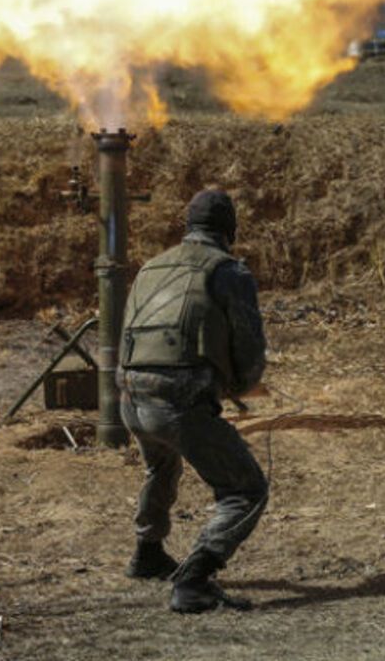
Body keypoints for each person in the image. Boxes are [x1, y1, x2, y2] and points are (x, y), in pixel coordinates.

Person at [117, 188, 268, 614]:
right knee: (246, 489)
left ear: (188, 226)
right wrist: (239, 385)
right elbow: (250, 350)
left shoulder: (150, 267)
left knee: (162, 465)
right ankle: (194, 579)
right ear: (229, 231)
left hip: (130, 396)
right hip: (179, 402)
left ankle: (148, 553)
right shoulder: (229, 272)